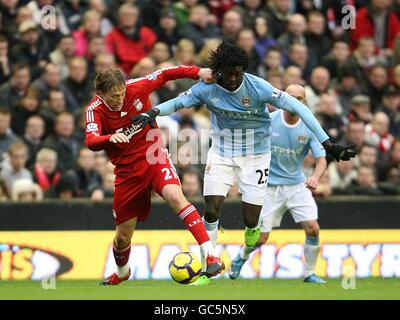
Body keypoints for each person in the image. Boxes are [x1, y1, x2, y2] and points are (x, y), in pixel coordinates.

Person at [132, 42, 356, 283]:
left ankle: (252, 229)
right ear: (219, 71)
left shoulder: (258, 87)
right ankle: (210, 265)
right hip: (222, 151)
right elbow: (178, 103)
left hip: (256, 155)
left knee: (250, 218)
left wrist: (328, 143)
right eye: (229, 73)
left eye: (238, 72)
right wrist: (152, 112)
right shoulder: (207, 88)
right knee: (211, 207)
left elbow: (298, 108)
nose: (234, 78)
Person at [84, 65, 224, 286]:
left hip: (154, 158)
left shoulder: (137, 87)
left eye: (121, 93)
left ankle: (211, 255)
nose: (119, 99)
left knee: (176, 197)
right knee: (122, 238)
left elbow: (167, 73)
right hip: (127, 174)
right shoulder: (94, 110)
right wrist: (109, 138)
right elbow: (90, 141)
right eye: (114, 96)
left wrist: (198, 72)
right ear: (101, 94)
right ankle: (122, 272)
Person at [228, 84, 327, 283]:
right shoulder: (269, 121)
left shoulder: (309, 125)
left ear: (304, 102)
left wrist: (316, 176)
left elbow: (322, 158)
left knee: (313, 228)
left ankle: (309, 273)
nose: (293, 101)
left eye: (298, 98)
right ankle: (242, 257)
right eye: (290, 97)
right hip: (268, 187)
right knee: (260, 239)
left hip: (296, 185)